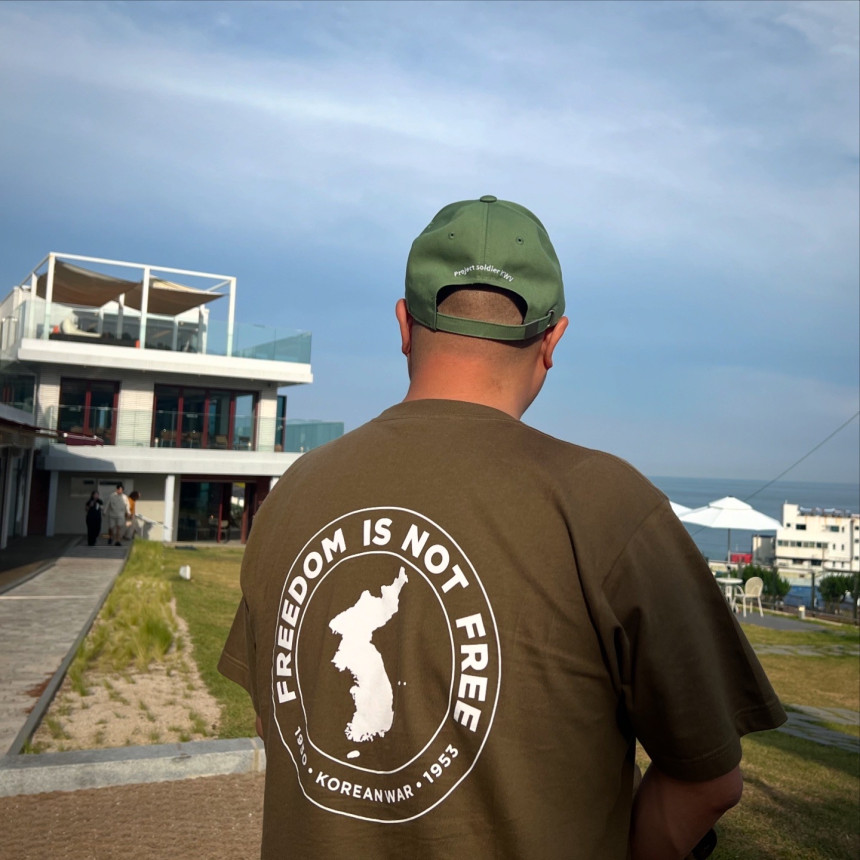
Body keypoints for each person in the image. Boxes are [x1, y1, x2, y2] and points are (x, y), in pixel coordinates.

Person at [219, 196, 786, 859]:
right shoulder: (607, 506)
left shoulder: (292, 494)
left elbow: (277, 720)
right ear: (553, 340)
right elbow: (708, 782)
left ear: (404, 325)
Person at [103, 482, 129, 547]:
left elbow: (127, 505)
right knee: (111, 528)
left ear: (122, 490)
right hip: (112, 515)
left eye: (121, 490)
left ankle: (118, 541)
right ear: (116, 489)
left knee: (118, 528)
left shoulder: (125, 497)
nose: (120, 491)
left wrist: (128, 512)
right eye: (119, 489)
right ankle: (110, 537)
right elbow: (108, 504)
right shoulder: (112, 496)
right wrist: (104, 511)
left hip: (120, 515)